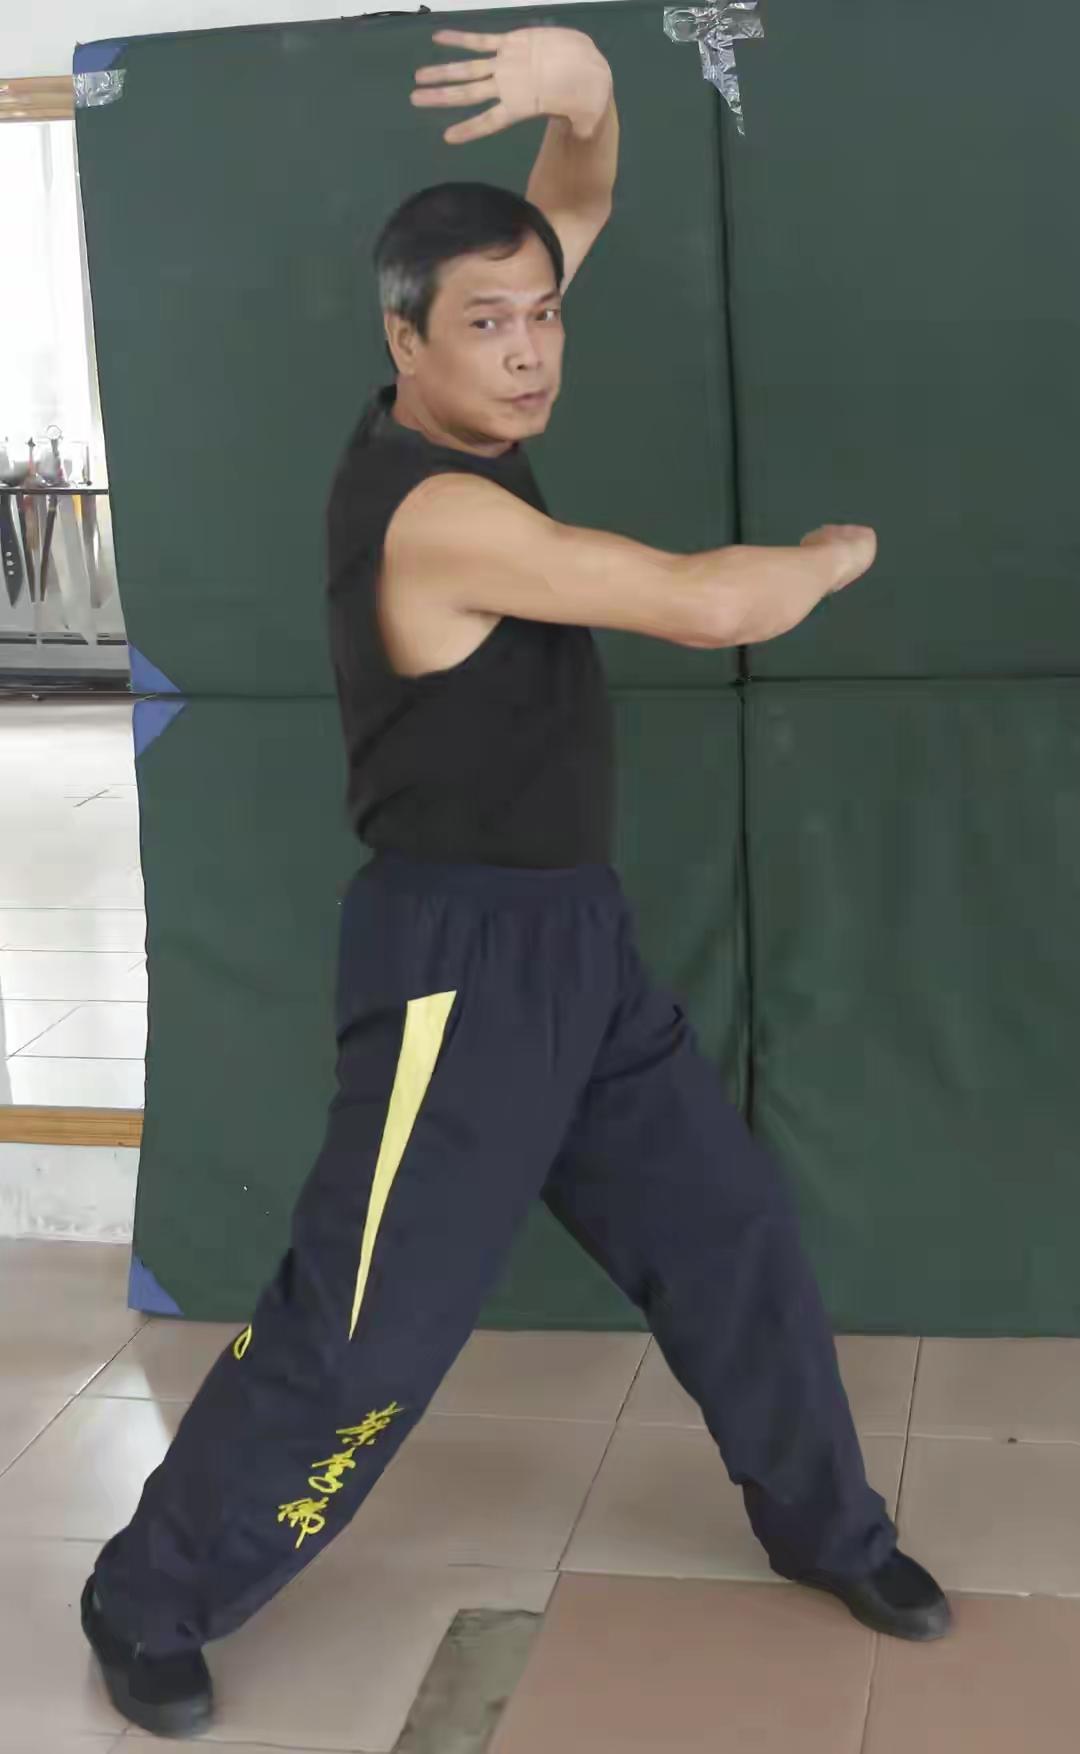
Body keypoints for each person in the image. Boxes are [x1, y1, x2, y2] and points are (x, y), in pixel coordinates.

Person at [83, 25, 949, 1740]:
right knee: (364, 1337)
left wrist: (593, 87)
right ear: (402, 338)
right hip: (453, 968)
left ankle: (828, 1528)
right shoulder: (431, 514)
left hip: (579, 948)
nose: (533, 347)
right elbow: (704, 604)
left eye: (545, 315)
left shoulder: (480, 396)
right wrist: (835, 556)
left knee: (731, 1231)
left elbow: (573, 202)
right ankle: (147, 1592)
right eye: (490, 323)